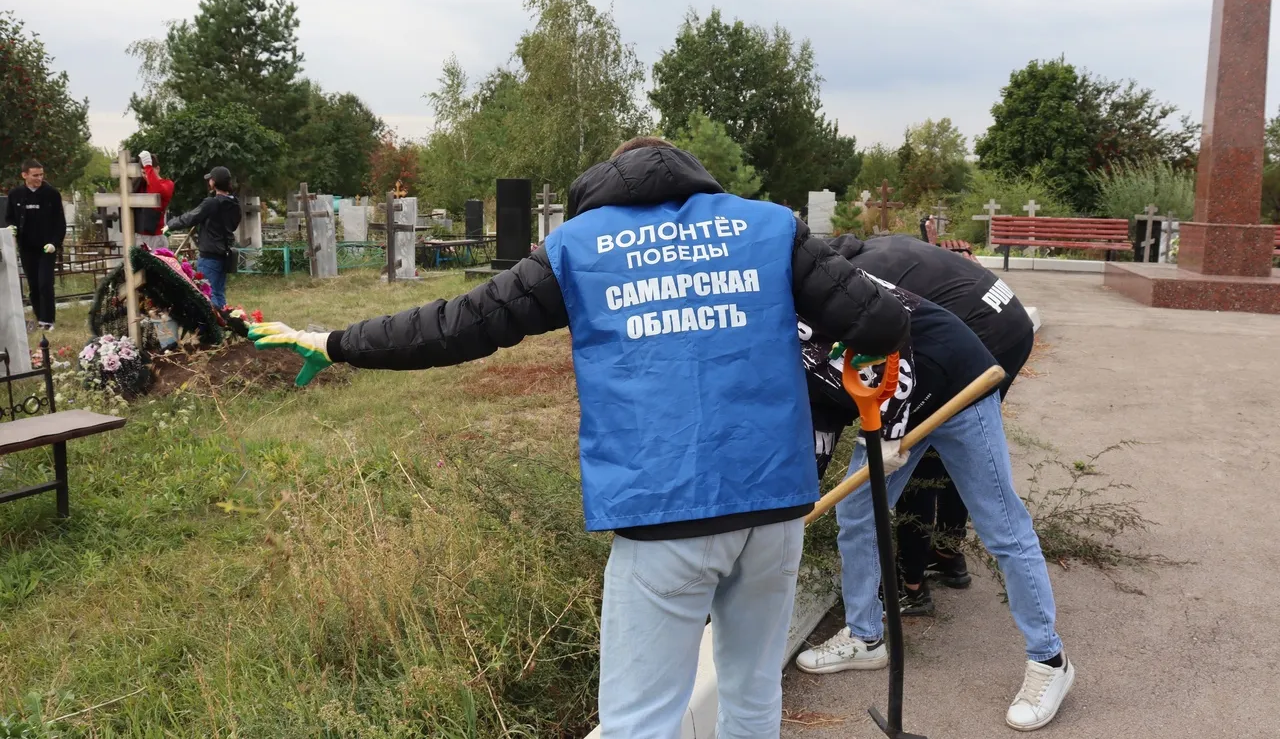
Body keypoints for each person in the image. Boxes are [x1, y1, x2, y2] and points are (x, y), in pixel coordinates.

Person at [250, 139, 910, 739]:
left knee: (637, 722)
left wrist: (334, 342)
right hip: (773, 507)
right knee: (752, 693)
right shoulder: (768, 225)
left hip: (665, 512)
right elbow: (881, 320)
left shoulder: (581, 244)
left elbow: (458, 325)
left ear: (600, 188)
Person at [794, 273, 1073, 732]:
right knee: (855, 513)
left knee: (1002, 525)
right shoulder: (758, 321)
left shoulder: (818, 271)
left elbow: (892, 327)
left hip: (952, 384)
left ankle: (1050, 659)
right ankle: (866, 638)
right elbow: (820, 403)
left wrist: (891, 434)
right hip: (887, 406)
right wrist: (801, 492)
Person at [162, 166, 240, 308]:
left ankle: (212, 327)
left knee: (207, 296)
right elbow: (233, 225)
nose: (209, 181)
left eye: (210, 179)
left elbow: (190, 217)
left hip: (209, 256)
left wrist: (170, 225)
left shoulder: (212, 203)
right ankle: (224, 324)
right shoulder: (234, 203)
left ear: (214, 182)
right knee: (218, 293)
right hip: (224, 255)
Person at [6, 159, 66, 331]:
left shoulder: (51, 194)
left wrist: (55, 243)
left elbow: (59, 222)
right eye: (35, 175)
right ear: (25, 175)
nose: (39, 178)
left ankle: (48, 320)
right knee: (33, 284)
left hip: (46, 247)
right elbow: (10, 217)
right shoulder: (15, 194)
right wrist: (11, 228)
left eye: (41, 174)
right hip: (27, 247)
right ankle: (40, 317)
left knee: (45, 283)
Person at [132, 150, 174, 249]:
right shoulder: (140, 186)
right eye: (143, 172)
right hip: (139, 236)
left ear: (158, 169)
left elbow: (156, 192)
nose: (146, 175)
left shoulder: (167, 184)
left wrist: (148, 167)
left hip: (156, 237)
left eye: (149, 170)